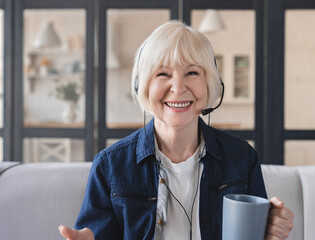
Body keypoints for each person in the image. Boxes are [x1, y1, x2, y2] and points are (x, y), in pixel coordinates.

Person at [59, 20, 294, 240]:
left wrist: (270, 230)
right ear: (143, 86)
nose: (178, 88)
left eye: (192, 72)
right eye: (163, 74)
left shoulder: (243, 158)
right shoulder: (109, 166)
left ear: (210, 82)